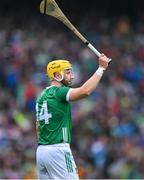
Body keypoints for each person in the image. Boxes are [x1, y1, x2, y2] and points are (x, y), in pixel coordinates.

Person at [36, 54, 110, 179]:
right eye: (68, 72)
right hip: (58, 149)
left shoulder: (41, 96)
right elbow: (85, 91)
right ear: (57, 75)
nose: (73, 76)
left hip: (42, 151)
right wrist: (101, 69)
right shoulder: (59, 92)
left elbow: (38, 127)